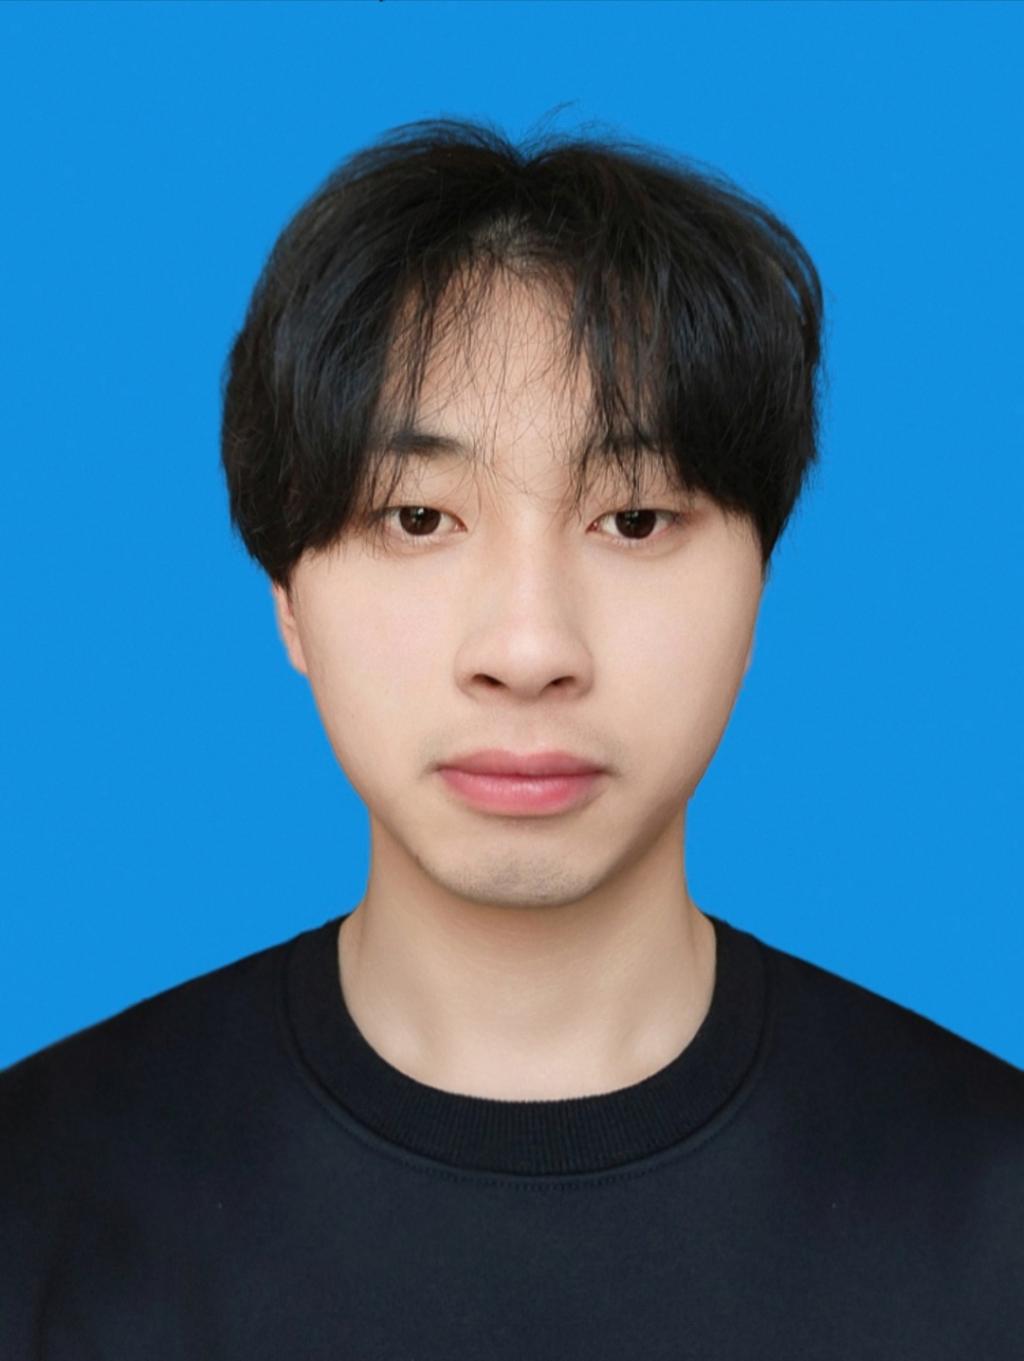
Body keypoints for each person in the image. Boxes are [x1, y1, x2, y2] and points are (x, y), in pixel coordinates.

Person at [2, 116, 1021, 1358]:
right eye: (417, 516)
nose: (529, 648)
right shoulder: (38, 1196)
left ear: (760, 580)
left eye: (634, 518)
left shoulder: (990, 1207)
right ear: (286, 596)